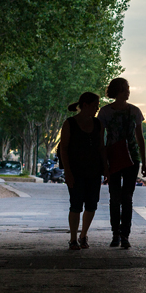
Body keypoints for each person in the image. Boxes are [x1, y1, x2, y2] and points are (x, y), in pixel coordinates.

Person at [97, 77, 146, 249]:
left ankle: (116, 234)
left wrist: (105, 164)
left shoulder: (104, 113)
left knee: (115, 198)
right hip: (132, 157)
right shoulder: (135, 111)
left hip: (113, 157)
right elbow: (140, 139)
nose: (128, 91)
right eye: (126, 88)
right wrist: (144, 162)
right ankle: (125, 235)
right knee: (127, 198)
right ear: (119, 91)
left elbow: (101, 141)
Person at [59, 92, 107, 250]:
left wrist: (105, 166)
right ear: (85, 106)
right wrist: (67, 171)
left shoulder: (98, 124)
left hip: (94, 170)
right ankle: (73, 238)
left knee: (92, 204)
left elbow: (100, 147)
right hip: (76, 171)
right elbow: (63, 149)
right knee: (75, 205)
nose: (96, 109)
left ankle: (83, 235)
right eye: (95, 105)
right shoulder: (70, 124)